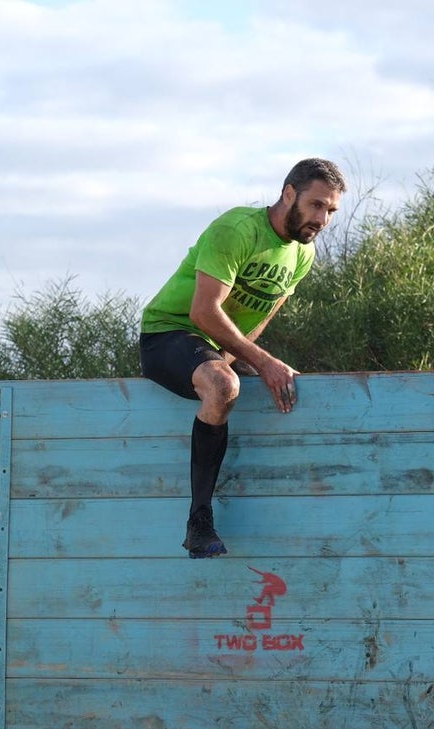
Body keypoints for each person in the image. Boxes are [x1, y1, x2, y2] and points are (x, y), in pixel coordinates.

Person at [139, 158, 346, 558]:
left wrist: (240, 358)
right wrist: (261, 363)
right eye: (317, 205)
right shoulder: (237, 229)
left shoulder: (302, 255)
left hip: (213, 347)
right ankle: (198, 523)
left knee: (236, 378)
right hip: (168, 332)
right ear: (289, 194)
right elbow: (203, 312)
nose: (323, 218)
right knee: (222, 384)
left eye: (331, 210)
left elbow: (261, 315)